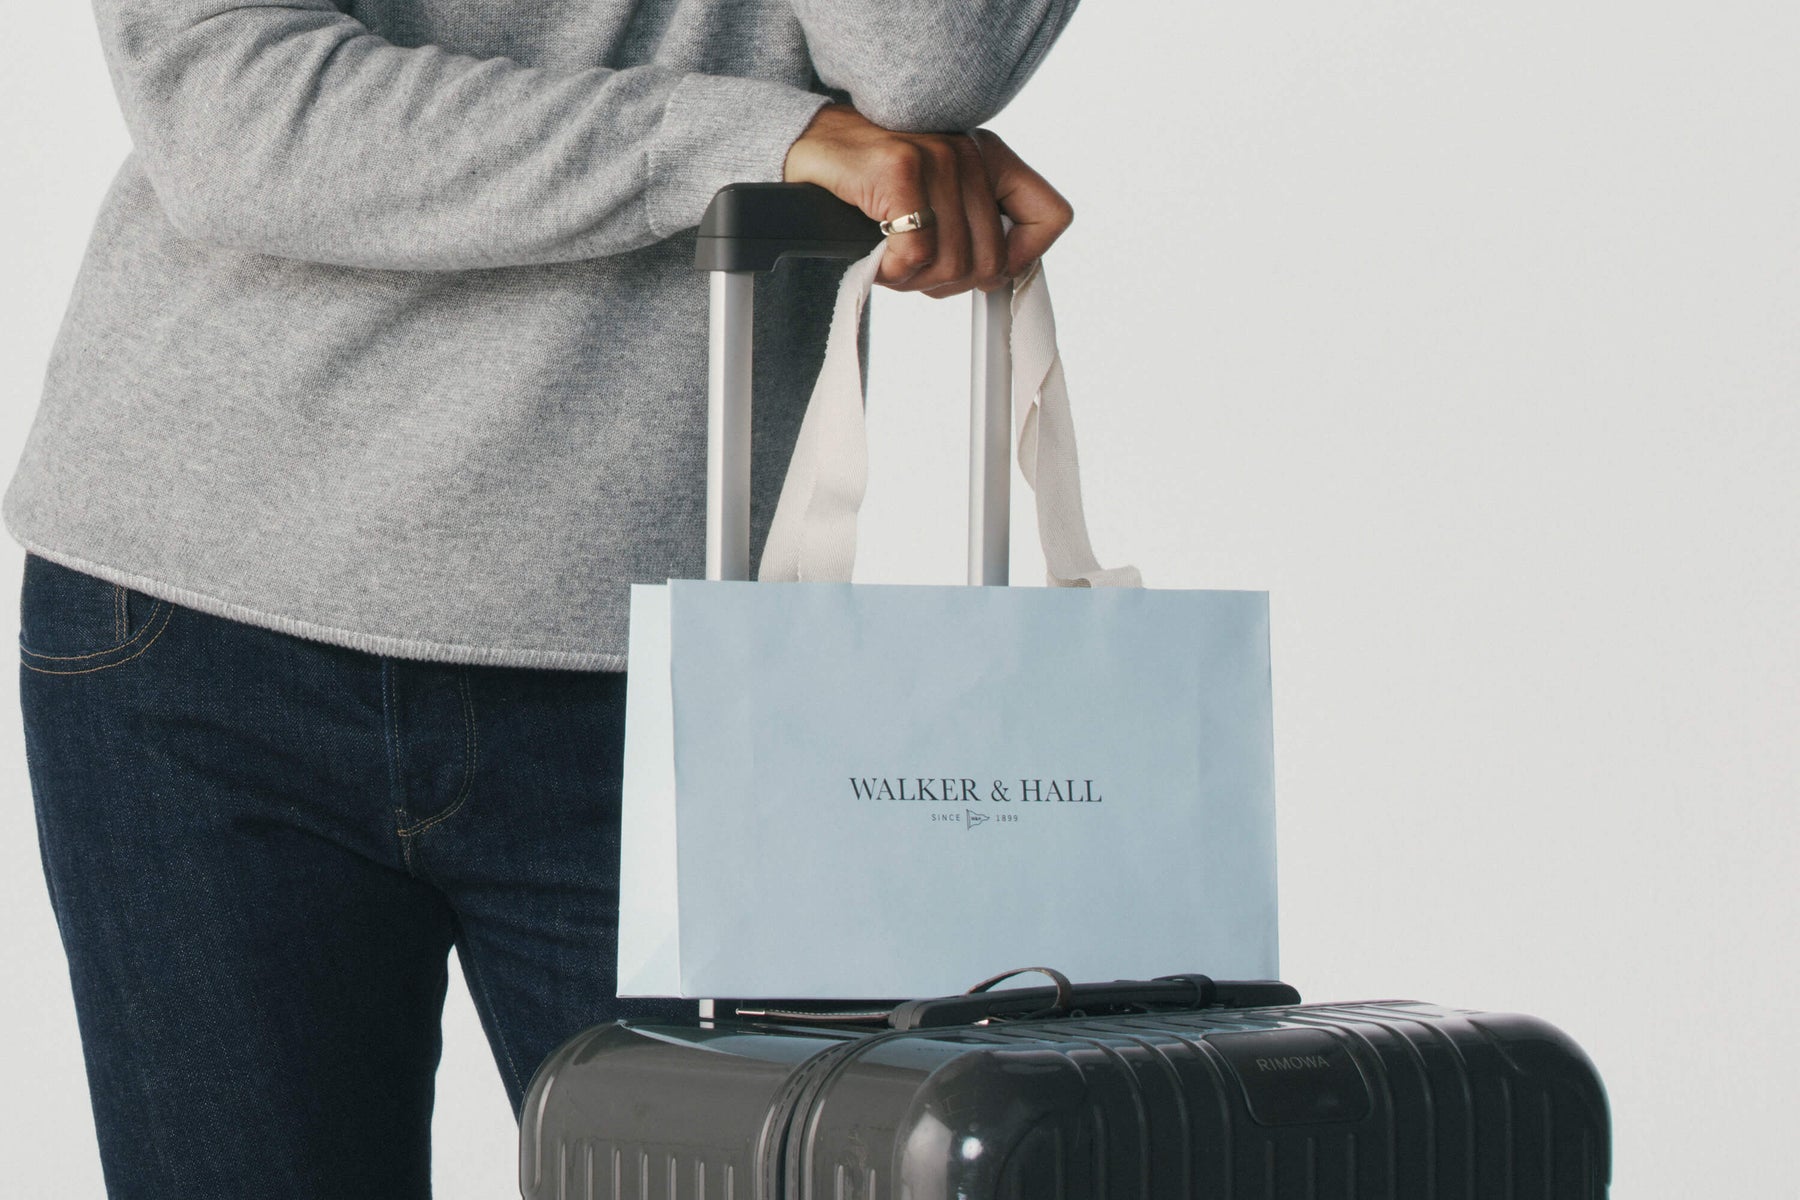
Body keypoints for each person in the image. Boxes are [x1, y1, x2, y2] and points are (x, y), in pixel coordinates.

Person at [4, 0, 1080, 1196]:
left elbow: (931, 62)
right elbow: (233, 114)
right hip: (209, 610)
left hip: (661, 658)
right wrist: (745, 139)